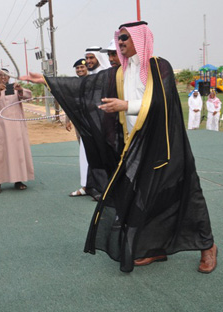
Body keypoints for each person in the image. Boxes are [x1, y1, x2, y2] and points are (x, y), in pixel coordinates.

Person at [22, 21, 217, 274]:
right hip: (135, 145)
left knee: (186, 193)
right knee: (143, 197)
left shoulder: (159, 67)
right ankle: (153, 248)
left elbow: (162, 102)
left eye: (125, 37)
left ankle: (207, 245)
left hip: (166, 144)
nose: (121, 42)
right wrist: (48, 82)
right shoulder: (120, 72)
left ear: (140, 38)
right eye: (119, 37)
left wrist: (126, 106)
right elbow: (85, 87)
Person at [0, 68, 34, 194]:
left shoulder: (16, 88)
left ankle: (18, 180)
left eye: (5, 75)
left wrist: (21, 90)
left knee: (17, 153)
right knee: (0, 154)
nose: (3, 77)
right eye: (0, 75)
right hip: (0, 128)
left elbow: (29, 96)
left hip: (16, 127)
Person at [68, 59, 91, 198]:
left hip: (92, 121)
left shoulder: (93, 80)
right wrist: (67, 120)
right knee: (83, 148)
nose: (79, 70)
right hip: (79, 120)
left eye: (82, 67)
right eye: (77, 68)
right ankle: (86, 177)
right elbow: (70, 102)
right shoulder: (74, 84)